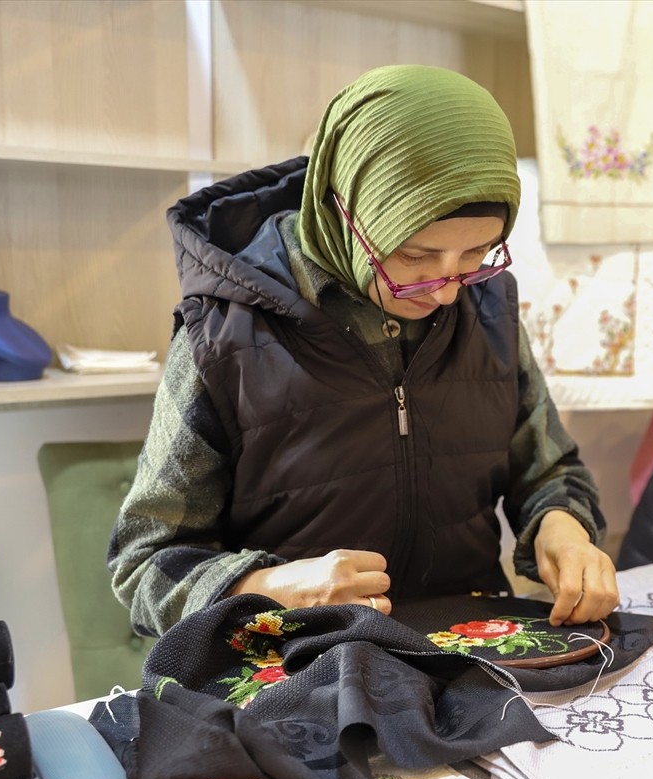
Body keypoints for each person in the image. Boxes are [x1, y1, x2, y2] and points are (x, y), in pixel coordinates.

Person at [109, 64, 619, 637]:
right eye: (414, 257)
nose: (446, 288)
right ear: (344, 211)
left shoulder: (486, 307)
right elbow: (145, 566)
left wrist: (562, 526)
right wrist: (269, 589)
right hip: (304, 669)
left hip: (470, 654)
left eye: (477, 253)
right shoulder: (225, 332)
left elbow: (548, 469)